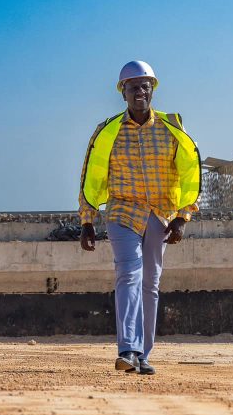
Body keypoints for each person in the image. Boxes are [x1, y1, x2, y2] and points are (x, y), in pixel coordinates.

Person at [78, 61, 201, 375]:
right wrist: (87, 219)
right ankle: (128, 350)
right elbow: (92, 176)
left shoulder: (172, 129)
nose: (140, 92)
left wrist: (183, 217)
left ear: (152, 90)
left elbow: (190, 173)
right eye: (133, 87)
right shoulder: (108, 132)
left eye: (145, 86)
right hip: (122, 212)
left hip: (159, 214)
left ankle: (144, 354)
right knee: (129, 273)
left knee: (151, 283)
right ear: (123, 93)